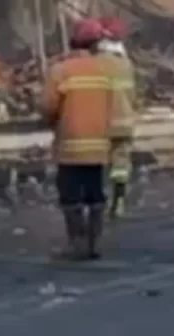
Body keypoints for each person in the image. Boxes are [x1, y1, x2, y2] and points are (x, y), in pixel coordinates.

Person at [41, 19, 117, 260]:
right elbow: (111, 106)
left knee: (70, 196)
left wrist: (51, 122)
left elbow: (48, 107)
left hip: (70, 147)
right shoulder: (105, 71)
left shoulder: (60, 71)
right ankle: (94, 244)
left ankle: (77, 243)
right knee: (95, 195)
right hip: (98, 146)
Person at [97, 17, 137, 219]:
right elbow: (133, 96)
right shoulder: (126, 64)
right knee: (120, 165)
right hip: (124, 122)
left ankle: (98, 201)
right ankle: (118, 200)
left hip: (100, 122)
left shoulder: (95, 63)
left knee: (97, 162)